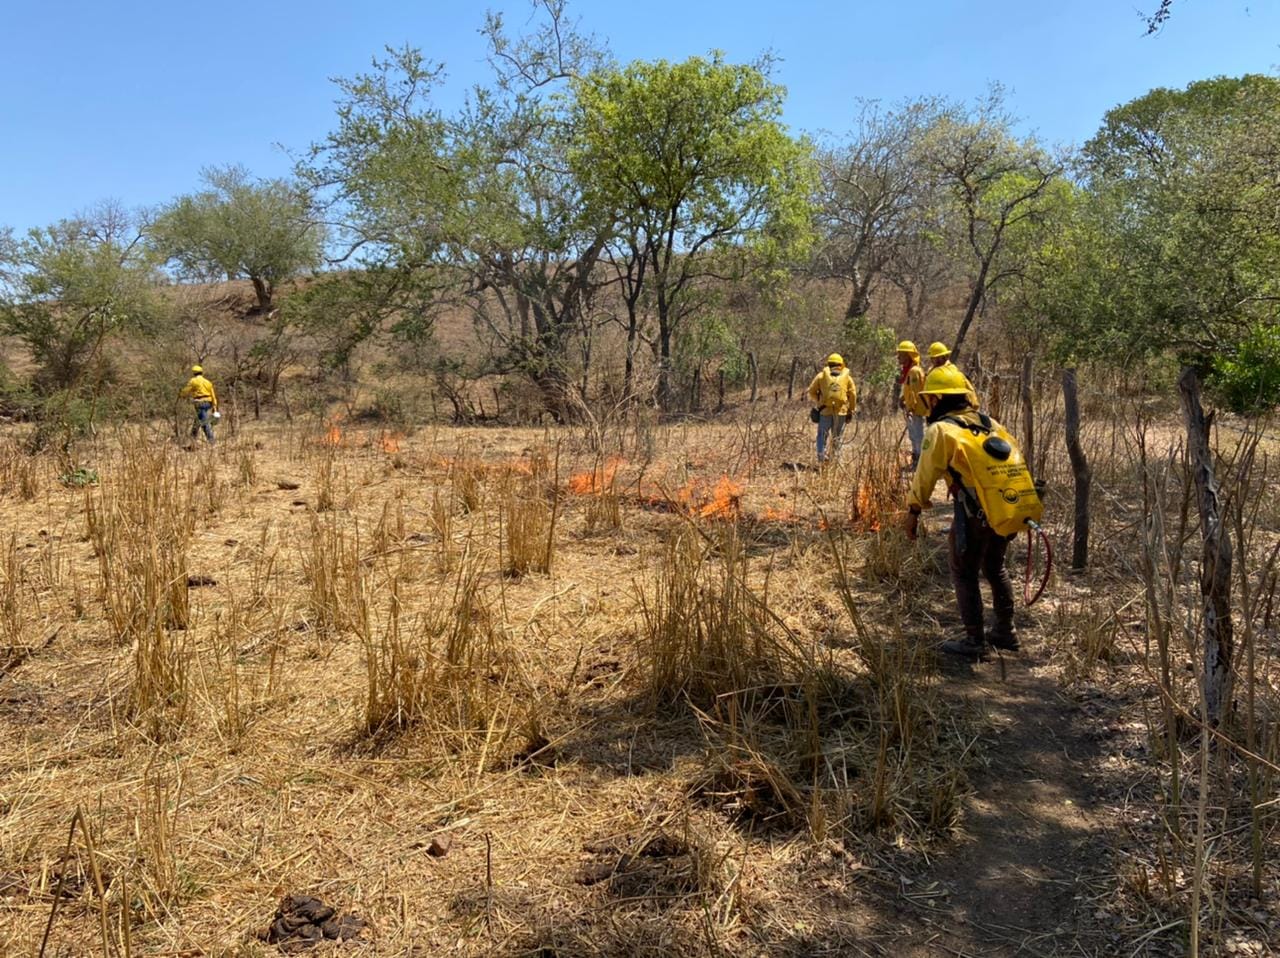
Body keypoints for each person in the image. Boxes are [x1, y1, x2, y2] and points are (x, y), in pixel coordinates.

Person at [903, 364, 1021, 660]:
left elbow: (925, 474)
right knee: (995, 567)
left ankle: (974, 641)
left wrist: (914, 510)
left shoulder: (942, 429)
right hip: (1004, 508)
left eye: (930, 399)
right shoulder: (991, 423)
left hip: (973, 513)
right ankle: (1006, 632)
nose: (927, 403)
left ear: (936, 399)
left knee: (963, 571)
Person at [807, 353, 857, 463]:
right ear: (841, 364)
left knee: (822, 436)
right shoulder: (847, 378)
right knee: (837, 437)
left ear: (828, 364)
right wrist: (851, 410)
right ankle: (836, 461)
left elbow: (811, 391)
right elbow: (853, 395)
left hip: (825, 411)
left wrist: (820, 401)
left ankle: (822, 458)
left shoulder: (821, 376)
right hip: (841, 412)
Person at [897, 340, 927, 469]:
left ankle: (919, 462)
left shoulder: (914, 371)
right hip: (912, 409)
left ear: (909, 356)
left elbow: (916, 392)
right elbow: (909, 390)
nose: (898, 358)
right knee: (913, 435)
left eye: (901, 355)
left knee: (918, 436)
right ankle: (916, 460)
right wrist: (903, 398)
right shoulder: (909, 371)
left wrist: (911, 407)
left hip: (916, 410)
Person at [926, 341, 979, 408]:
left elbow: (971, 394)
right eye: (933, 358)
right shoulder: (931, 372)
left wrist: (973, 407)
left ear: (945, 357)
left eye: (939, 358)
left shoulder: (953, 372)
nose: (936, 361)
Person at [180, 364, 219, 445]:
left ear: (194, 373)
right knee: (198, 420)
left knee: (204, 422)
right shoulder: (208, 382)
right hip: (208, 403)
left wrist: (181, 394)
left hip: (199, 403)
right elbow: (213, 395)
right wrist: (214, 406)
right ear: (202, 372)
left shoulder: (193, 381)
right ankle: (192, 438)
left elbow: (186, 391)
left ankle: (211, 441)